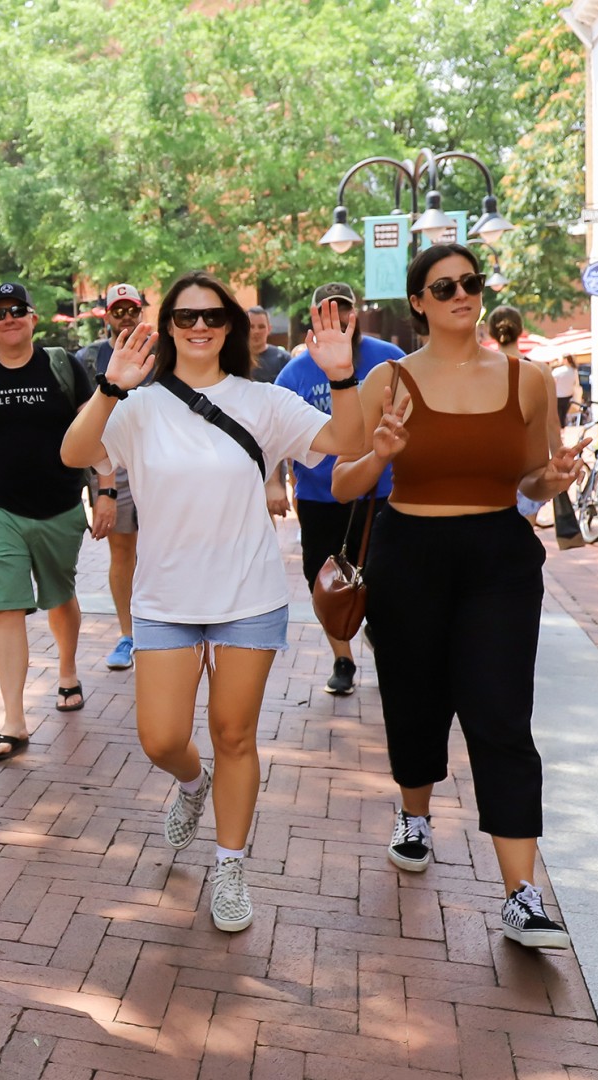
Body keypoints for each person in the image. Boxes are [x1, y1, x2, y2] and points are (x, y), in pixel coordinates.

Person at [62, 271, 365, 932]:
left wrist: (341, 376)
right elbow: (75, 452)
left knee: (233, 733)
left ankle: (230, 866)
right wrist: (110, 387)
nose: (199, 326)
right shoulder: (139, 406)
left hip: (246, 594)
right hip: (165, 598)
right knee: (161, 738)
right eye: (185, 317)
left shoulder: (263, 400)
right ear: (168, 328)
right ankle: (191, 784)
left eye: (212, 316)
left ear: (229, 327)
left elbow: (347, 441)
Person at [333, 243, 588, 951]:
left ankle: (521, 896)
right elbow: (344, 481)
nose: (460, 295)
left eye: (469, 283)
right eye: (442, 287)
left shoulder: (526, 380)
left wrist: (551, 481)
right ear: (418, 301)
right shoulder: (387, 379)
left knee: (501, 714)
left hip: (498, 557)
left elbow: (530, 480)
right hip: (407, 553)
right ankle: (414, 814)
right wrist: (381, 453)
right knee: (414, 700)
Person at [0, 282, 94, 762]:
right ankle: (13, 719)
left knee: (60, 596)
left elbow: (93, 428)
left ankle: (68, 670)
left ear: (33, 318)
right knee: (6, 609)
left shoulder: (62, 366)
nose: (8, 318)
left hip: (60, 505)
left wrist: (107, 491)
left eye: (17, 309)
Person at [272, 282, 405, 696]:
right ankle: (342, 658)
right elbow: (273, 432)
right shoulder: (295, 373)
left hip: (381, 491)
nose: (339, 317)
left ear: (355, 313)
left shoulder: (390, 358)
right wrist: (274, 483)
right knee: (324, 579)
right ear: (314, 317)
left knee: (385, 577)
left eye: (344, 309)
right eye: (328, 310)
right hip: (318, 496)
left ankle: (382, 637)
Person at [76, 284, 147, 672]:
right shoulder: (89, 358)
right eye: (118, 310)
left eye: (131, 309)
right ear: (106, 315)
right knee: (122, 550)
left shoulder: (162, 351)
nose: (125, 317)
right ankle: (127, 634)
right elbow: (80, 419)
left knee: (163, 545)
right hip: (111, 466)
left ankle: (160, 625)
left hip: (156, 462)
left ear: (141, 311)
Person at [247, 306, 291, 383]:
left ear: (269, 329)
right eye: (251, 326)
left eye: (261, 327)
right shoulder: (234, 359)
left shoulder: (283, 359)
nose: (256, 331)